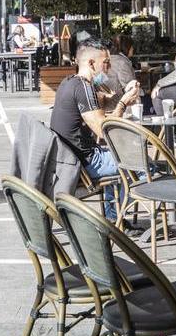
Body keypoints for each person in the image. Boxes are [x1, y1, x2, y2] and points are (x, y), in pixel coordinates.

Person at [50, 40, 140, 227]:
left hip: (73, 157)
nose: (108, 68)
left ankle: (114, 218)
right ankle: (117, 220)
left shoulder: (70, 82)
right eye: (105, 63)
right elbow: (103, 131)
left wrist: (122, 96)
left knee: (125, 159)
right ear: (91, 64)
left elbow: (99, 105)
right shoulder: (84, 88)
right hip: (86, 161)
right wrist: (123, 104)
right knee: (142, 164)